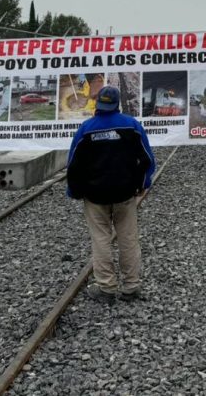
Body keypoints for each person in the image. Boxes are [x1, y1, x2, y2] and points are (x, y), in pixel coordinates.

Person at [66, 86, 156, 304]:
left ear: (98, 104)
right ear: (118, 104)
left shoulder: (86, 129)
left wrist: (74, 191)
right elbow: (147, 158)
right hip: (125, 193)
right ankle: (131, 287)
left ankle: (106, 288)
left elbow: (73, 164)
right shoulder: (132, 125)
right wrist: (143, 183)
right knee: (128, 239)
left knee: (101, 239)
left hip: (95, 195)